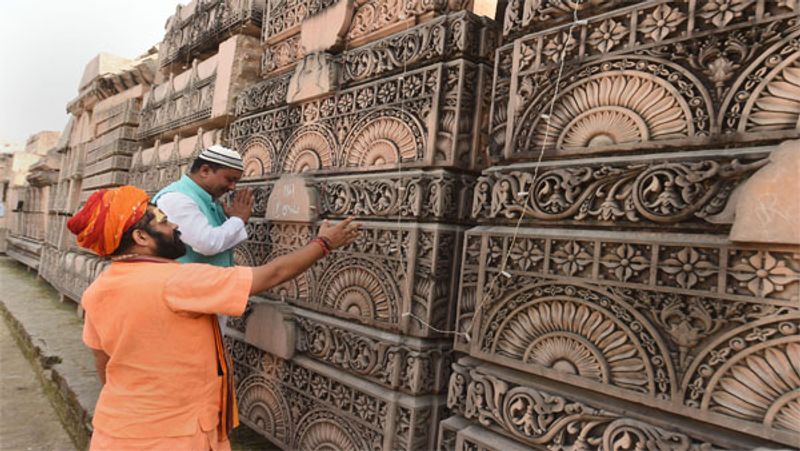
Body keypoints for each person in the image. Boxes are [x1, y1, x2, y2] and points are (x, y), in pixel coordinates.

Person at [67, 185, 359, 451]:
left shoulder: (98, 289)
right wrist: (324, 243)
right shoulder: (178, 281)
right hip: (173, 437)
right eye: (164, 222)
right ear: (141, 237)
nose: (175, 226)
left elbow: (103, 362)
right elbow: (274, 274)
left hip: (114, 431)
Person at [153, 145, 253, 268]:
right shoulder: (176, 198)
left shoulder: (209, 200)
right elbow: (207, 243)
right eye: (229, 179)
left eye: (235, 182)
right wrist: (238, 219)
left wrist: (234, 220)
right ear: (205, 171)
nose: (232, 187)